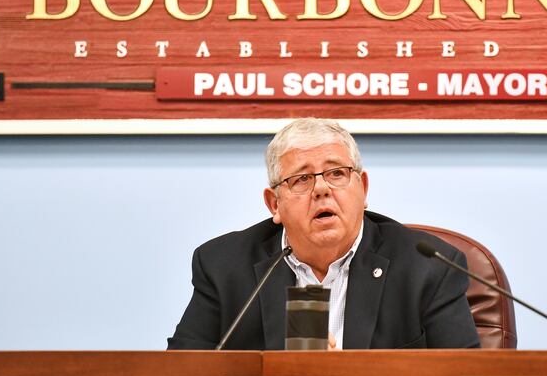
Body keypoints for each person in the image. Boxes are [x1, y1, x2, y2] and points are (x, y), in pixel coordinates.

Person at [167, 118, 480, 350]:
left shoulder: (429, 267)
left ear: (363, 188)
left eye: (336, 174)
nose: (321, 189)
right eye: (301, 179)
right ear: (274, 204)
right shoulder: (224, 266)